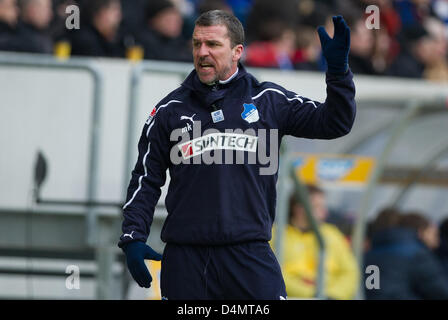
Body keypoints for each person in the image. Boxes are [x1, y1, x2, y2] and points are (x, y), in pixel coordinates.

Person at [118, 10, 356, 300]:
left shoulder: (269, 101)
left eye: (213, 45)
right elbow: (145, 179)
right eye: (196, 44)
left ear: (237, 52)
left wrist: (339, 71)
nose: (202, 53)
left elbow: (336, 122)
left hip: (249, 256)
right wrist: (133, 236)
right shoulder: (168, 111)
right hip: (186, 260)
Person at [271, 185, 359, 299]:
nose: (325, 213)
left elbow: (350, 272)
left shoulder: (332, 234)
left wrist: (332, 295)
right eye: (318, 207)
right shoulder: (275, 235)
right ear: (299, 208)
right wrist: (312, 295)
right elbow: (273, 273)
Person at [364, 209, 448, 299]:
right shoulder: (417, 254)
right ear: (421, 232)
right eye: (434, 234)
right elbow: (441, 290)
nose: (437, 241)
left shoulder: (371, 253)